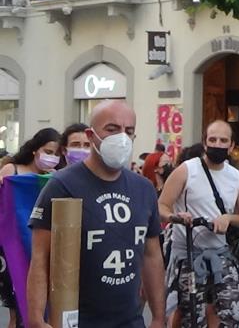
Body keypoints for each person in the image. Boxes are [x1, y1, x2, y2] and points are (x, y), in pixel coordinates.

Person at [27, 100, 165, 328]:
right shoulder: (62, 185)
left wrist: (159, 317)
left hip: (130, 321)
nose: (121, 137)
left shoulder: (144, 189)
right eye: (112, 129)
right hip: (77, 320)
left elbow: (152, 256)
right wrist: (35, 318)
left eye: (128, 131)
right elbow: (41, 257)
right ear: (91, 136)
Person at [158, 120, 239, 327]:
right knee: (190, 316)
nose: (217, 144)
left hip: (221, 255)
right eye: (213, 139)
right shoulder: (186, 170)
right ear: (204, 142)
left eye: (223, 140)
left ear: (232, 146)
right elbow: (161, 206)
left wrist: (228, 219)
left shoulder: (235, 177)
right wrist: (177, 217)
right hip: (188, 256)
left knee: (231, 313)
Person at [0, 128, 60, 328]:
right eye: (48, 152)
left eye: (56, 154)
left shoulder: (54, 179)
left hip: (41, 248)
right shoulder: (12, 171)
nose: (52, 157)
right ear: (35, 150)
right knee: (17, 314)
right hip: (12, 247)